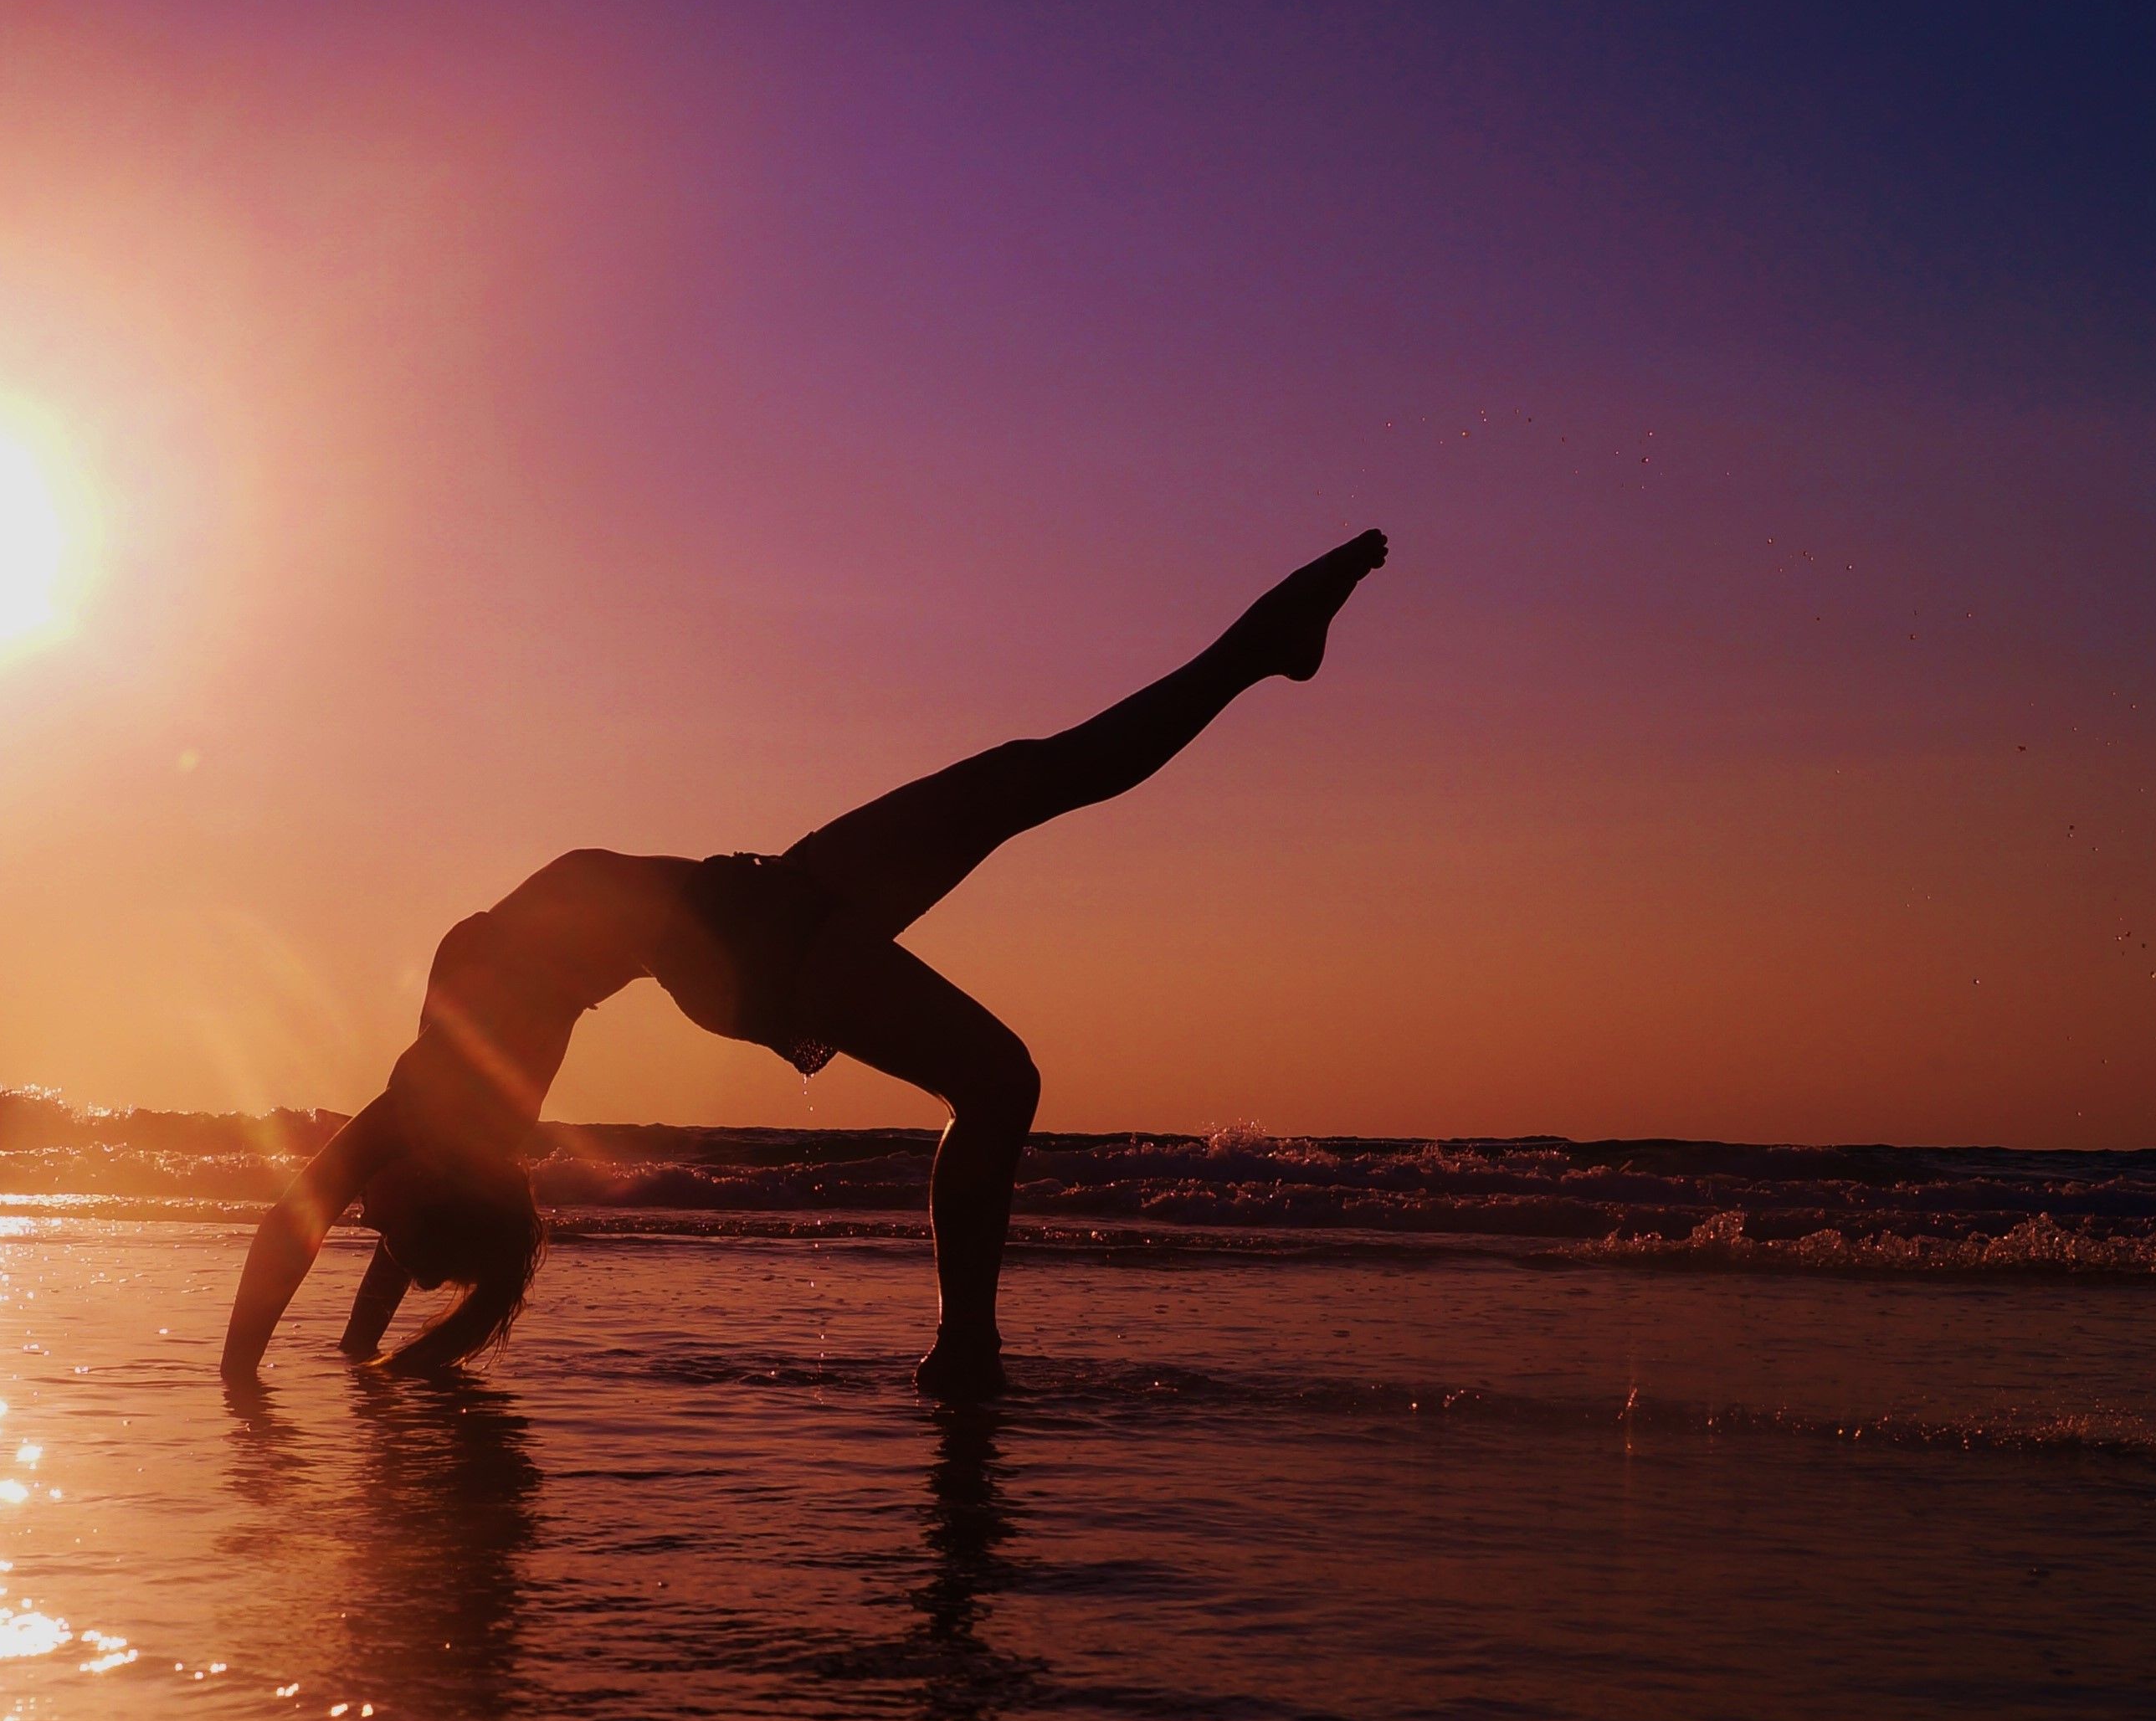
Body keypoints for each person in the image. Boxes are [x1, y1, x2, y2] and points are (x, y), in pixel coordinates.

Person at [219, 528, 1387, 1395]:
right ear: (441, 1192)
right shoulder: (437, 1111)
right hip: (748, 944)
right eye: (390, 1220)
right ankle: (964, 1352)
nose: (366, 1209)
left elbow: (366, 1232)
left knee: (1042, 774)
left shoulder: (442, 1131)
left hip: (757, 902)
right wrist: (241, 1385)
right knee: (1001, 1075)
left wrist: (359, 1354)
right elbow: (304, 1223)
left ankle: (1264, 645)